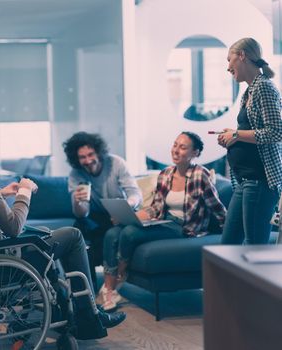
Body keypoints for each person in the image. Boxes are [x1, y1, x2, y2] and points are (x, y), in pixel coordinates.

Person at [0, 107, 126, 338]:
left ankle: (62, 311)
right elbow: (13, 227)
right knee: (72, 236)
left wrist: (0, 193)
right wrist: (24, 192)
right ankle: (89, 317)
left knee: (44, 234)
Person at [101, 132, 226, 311]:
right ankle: (109, 289)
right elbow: (156, 208)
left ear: (195, 153)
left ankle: (119, 277)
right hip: (163, 222)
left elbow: (217, 208)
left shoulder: (201, 175)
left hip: (184, 228)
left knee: (129, 233)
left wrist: (230, 232)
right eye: (175, 145)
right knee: (112, 233)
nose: (176, 150)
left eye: (182, 147)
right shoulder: (166, 174)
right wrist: (135, 216)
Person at [62, 131, 142, 307]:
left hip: (118, 212)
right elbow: (82, 213)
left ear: (98, 152)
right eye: (82, 157)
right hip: (95, 217)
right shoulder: (76, 175)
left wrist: (125, 207)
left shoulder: (116, 163)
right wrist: (78, 201)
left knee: (108, 234)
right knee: (77, 230)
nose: (88, 160)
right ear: (76, 159)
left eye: (91, 154)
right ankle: (83, 292)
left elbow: (135, 194)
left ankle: (105, 289)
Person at [217, 37, 282, 245]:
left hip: (260, 181)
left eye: (230, 60)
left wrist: (236, 135)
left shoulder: (264, 87)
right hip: (245, 181)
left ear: (242, 56)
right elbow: (253, 132)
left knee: (255, 247)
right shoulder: (249, 91)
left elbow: (276, 132)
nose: (228, 67)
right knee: (228, 247)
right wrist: (234, 135)